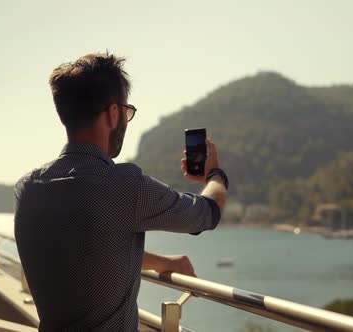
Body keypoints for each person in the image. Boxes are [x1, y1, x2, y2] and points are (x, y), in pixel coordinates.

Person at [13, 52, 228, 332]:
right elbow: (206, 213)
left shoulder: (28, 189)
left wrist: (160, 262)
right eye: (127, 112)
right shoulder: (125, 186)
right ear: (113, 113)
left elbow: (86, 249)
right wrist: (215, 175)